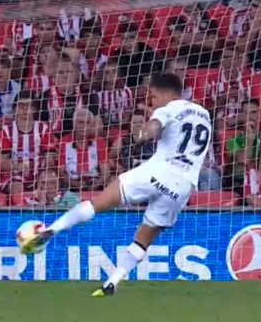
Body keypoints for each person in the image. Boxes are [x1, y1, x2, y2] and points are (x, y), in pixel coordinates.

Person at [41, 73, 212, 297]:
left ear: (166, 92)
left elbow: (153, 128)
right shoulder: (205, 114)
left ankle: (52, 229)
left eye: (152, 96)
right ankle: (113, 281)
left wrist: (139, 135)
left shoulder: (169, 108)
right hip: (183, 187)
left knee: (99, 202)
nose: (151, 102)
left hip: (158, 171)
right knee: (145, 236)